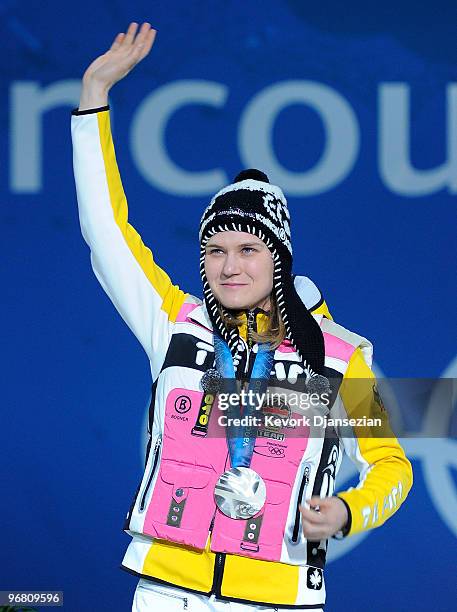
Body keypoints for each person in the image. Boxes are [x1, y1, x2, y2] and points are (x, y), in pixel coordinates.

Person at [71, 22, 413, 611]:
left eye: (249, 250)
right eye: (215, 250)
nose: (230, 267)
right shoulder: (176, 324)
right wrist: (93, 97)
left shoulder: (338, 357)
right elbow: (106, 234)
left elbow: (393, 466)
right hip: (164, 591)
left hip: (276, 599)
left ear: (278, 259)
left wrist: (348, 511)